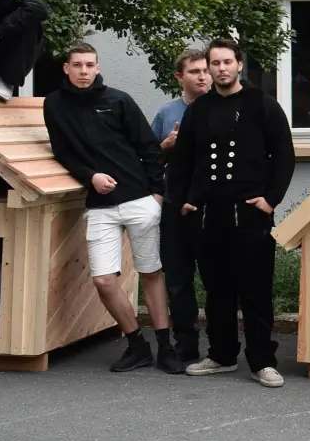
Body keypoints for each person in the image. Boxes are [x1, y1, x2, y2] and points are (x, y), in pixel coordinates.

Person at [169, 38, 296, 388]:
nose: (221, 68)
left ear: (240, 65)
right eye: (215, 63)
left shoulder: (263, 105)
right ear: (208, 68)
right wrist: (184, 200)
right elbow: (181, 161)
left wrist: (271, 200)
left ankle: (262, 361)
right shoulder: (199, 110)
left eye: (228, 62)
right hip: (209, 215)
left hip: (252, 214)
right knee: (217, 289)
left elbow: (284, 155)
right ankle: (222, 355)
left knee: (255, 290)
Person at [43, 43, 170, 372]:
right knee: (103, 280)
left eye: (90, 65)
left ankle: (166, 346)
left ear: (97, 68)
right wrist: (91, 177)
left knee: (151, 273)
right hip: (99, 205)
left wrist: (156, 194)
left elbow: (149, 147)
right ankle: (137, 345)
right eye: (78, 65)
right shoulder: (54, 105)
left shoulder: (118, 100)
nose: (84, 71)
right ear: (66, 69)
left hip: (140, 200)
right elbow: (63, 153)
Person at [150, 47, 211, 373]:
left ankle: (221, 348)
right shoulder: (166, 114)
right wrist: (165, 148)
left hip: (210, 208)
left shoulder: (221, 108)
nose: (203, 76)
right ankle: (185, 346)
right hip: (174, 208)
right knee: (178, 280)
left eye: (205, 70)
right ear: (179, 77)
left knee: (217, 278)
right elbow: (147, 164)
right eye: (194, 71)